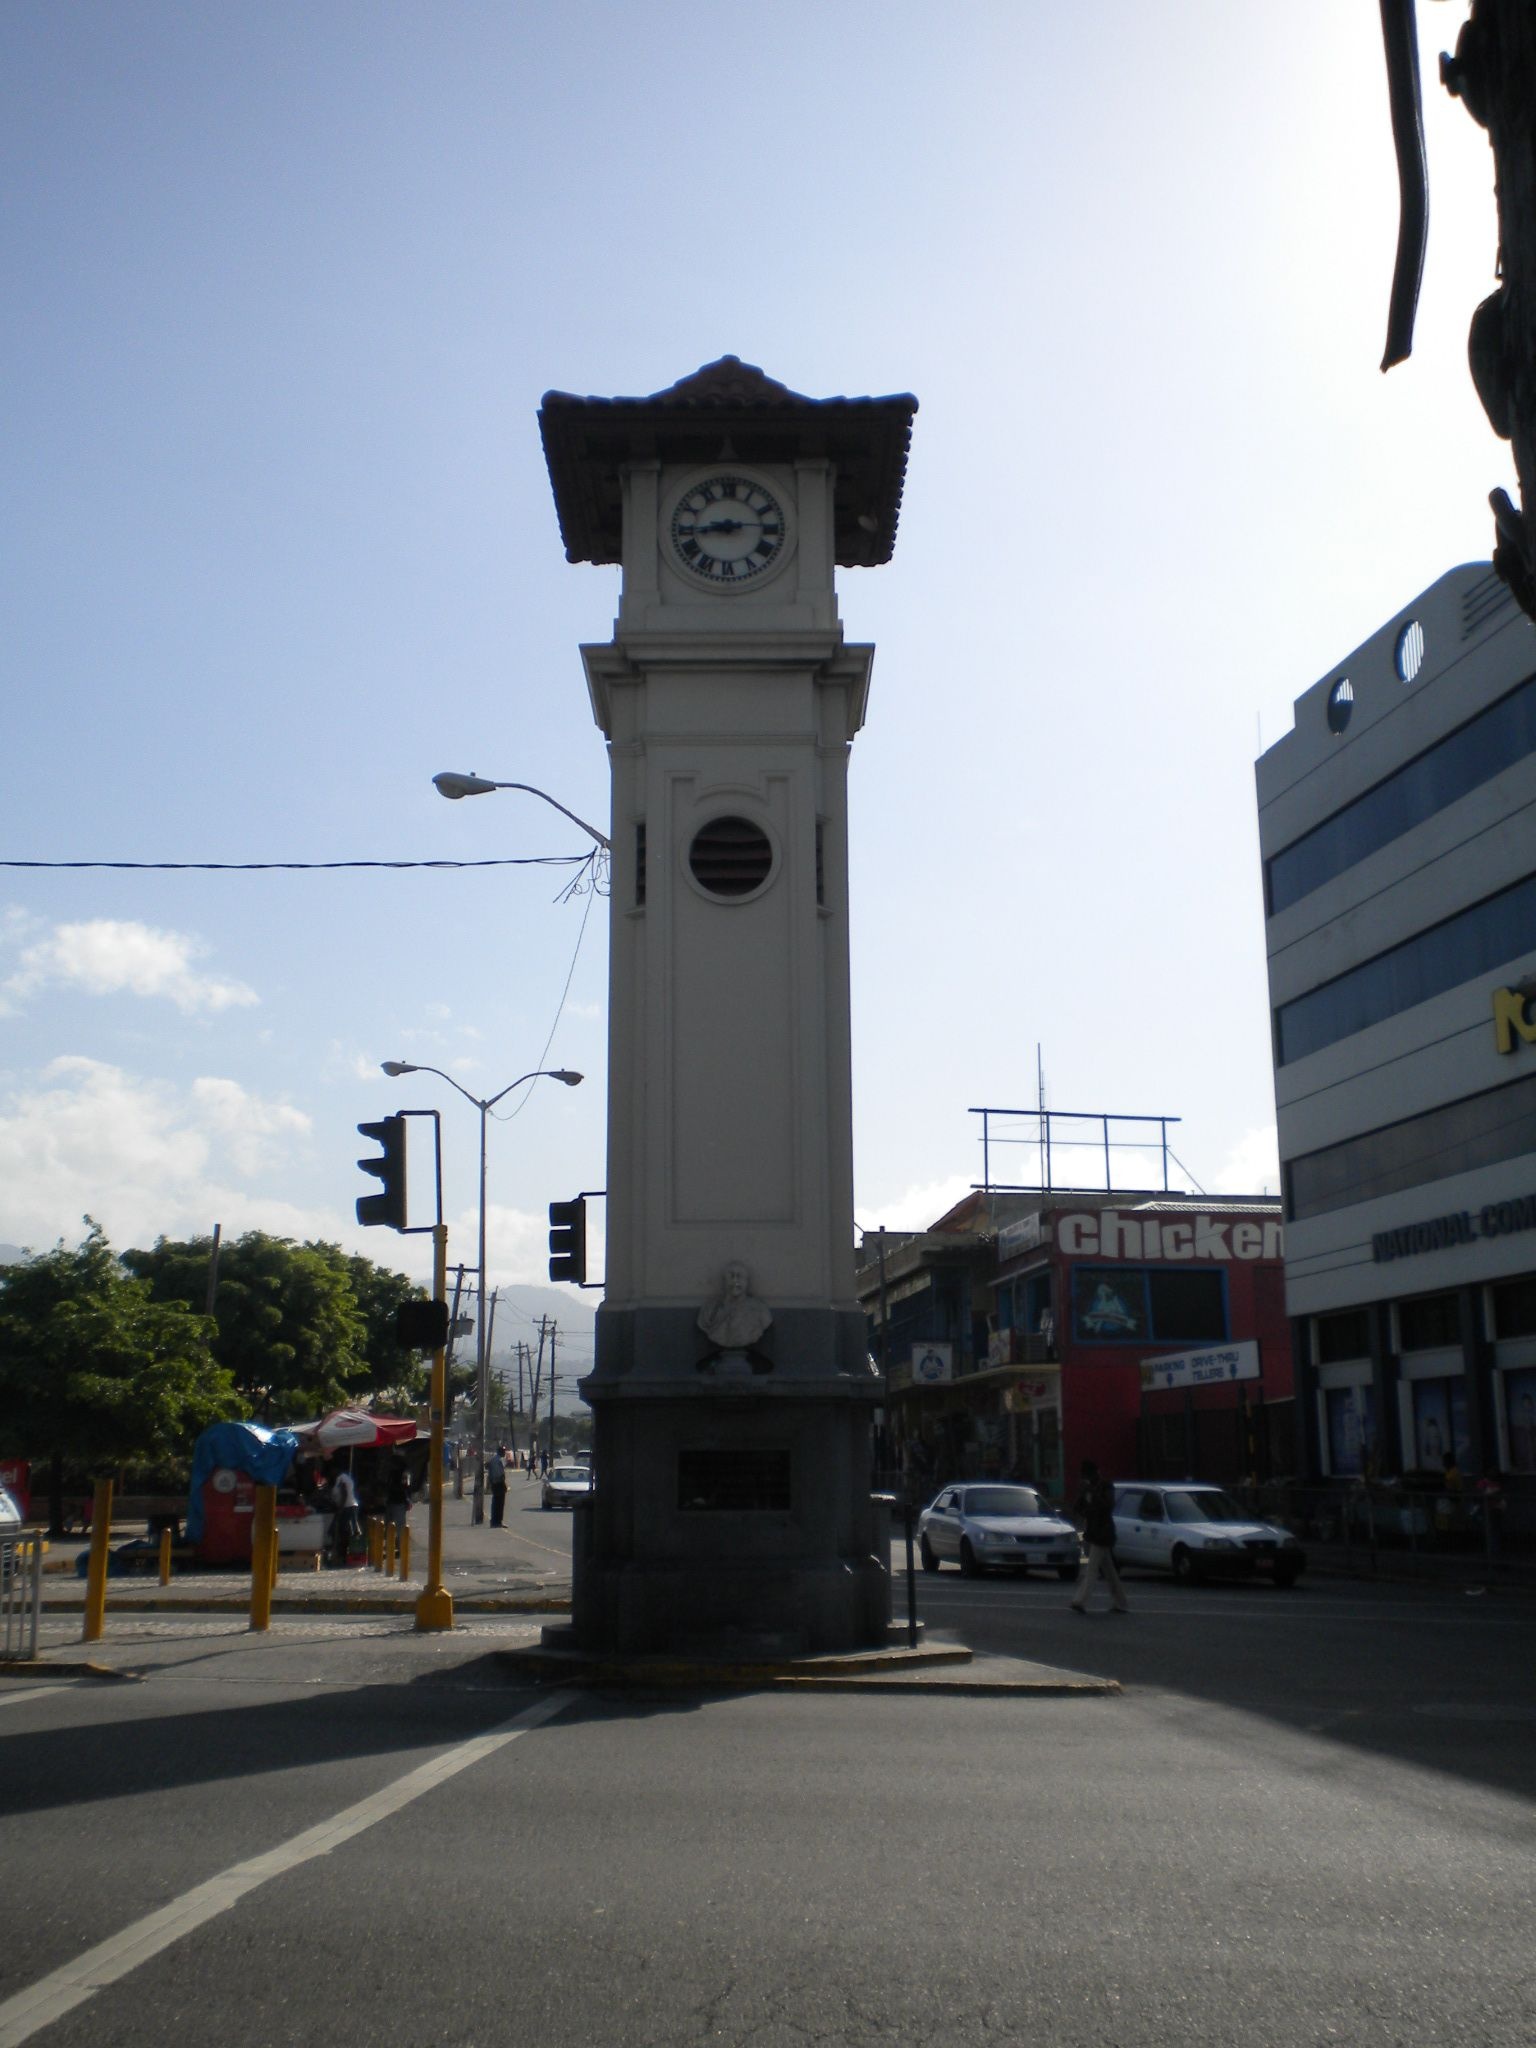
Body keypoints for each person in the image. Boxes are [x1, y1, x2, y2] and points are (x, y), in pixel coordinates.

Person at [1068, 1459, 1129, 1615]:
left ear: (1095, 1473)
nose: (1086, 1478)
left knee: (1092, 1568)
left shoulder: (1105, 1486)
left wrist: (1092, 1493)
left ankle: (1080, 1600)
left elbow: (1108, 1506)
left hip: (1103, 1532)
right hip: (1093, 1532)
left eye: (1087, 1475)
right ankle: (1121, 1602)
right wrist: (1082, 1497)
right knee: (1109, 1572)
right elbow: (1077, 1508)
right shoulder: (1087, 1489)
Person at [330, 1464, 360, 1567]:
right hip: (348, 1506)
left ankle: (343, 1555)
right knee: (343, 1531)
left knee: (343, 1531)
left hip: (347, 1507)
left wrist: (340, 1508)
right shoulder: (343, 1478)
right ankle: (342, 1554)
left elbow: (344, 1493)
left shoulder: (342, 1479)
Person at [487, 1444, 507, 1527]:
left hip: (494, 1483)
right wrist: (503, 1483)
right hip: (499, 1482)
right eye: (503, 1451)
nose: (504, 1452)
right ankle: (498, 1521)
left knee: (495, 1502)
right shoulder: (499, 1460)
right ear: (500, 1452)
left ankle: (494, 1521)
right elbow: (501, 1474)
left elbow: (489, 1472)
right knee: (500, 1503)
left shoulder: (492, 1460)